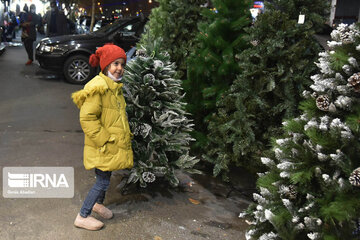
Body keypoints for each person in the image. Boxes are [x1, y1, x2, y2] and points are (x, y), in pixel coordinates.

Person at [71, 44, 134, 231]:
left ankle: (98, 204)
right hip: (102, 145)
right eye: (115, 63)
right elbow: (87, 118)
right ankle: (83, 215)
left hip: (110, 145)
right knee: (102, 181)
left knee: (106, 175)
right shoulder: (98, 87)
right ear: (106, 65)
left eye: (122, 64)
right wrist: (104, 139)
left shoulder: (114, 87)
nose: (119, 68)